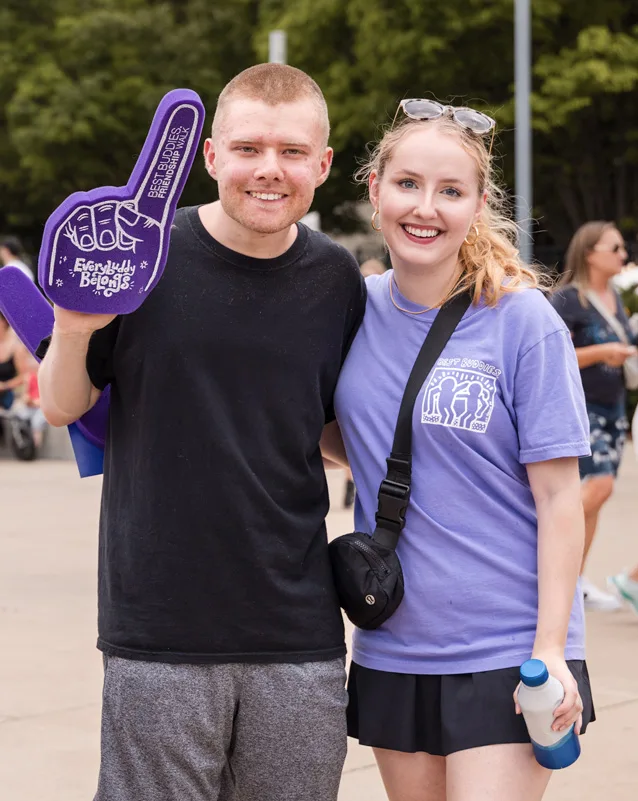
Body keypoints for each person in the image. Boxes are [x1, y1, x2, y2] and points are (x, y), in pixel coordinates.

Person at [36, 64, 365, 801]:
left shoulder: (338, 278)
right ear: (212, 156)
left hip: (299, 626)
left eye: (290, 151)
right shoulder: (139, 253)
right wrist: (74, 323)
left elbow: (327, 427)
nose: (268, 170)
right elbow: (63, 404)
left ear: (322, 164)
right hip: (160, 623)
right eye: (248, 148)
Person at [321, 99, 594, 800]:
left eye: (451, 191)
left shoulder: (521, 320)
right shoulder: (350, 308)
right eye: (408, 183)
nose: (426, 207)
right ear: (374, 186)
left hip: (507, 649)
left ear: (478, 205)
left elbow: (561, 497)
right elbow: (345, 439)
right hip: (391, 642)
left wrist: (551, 647)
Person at [551, 222, 637, 611]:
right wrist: (604, 353)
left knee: (599, 498)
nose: (623, 254)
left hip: (613, 406)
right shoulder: (568, 300)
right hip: (580, 407)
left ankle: (575, 580)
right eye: (615, 247)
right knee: (597, 486)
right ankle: (544, 562)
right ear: (590, 253)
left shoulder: (614, 298)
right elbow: (554, 356)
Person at [0, 312, 31, 411]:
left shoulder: (16, 348)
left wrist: (5, 386)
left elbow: (25, 376)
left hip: (8, 395)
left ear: (4, 322)